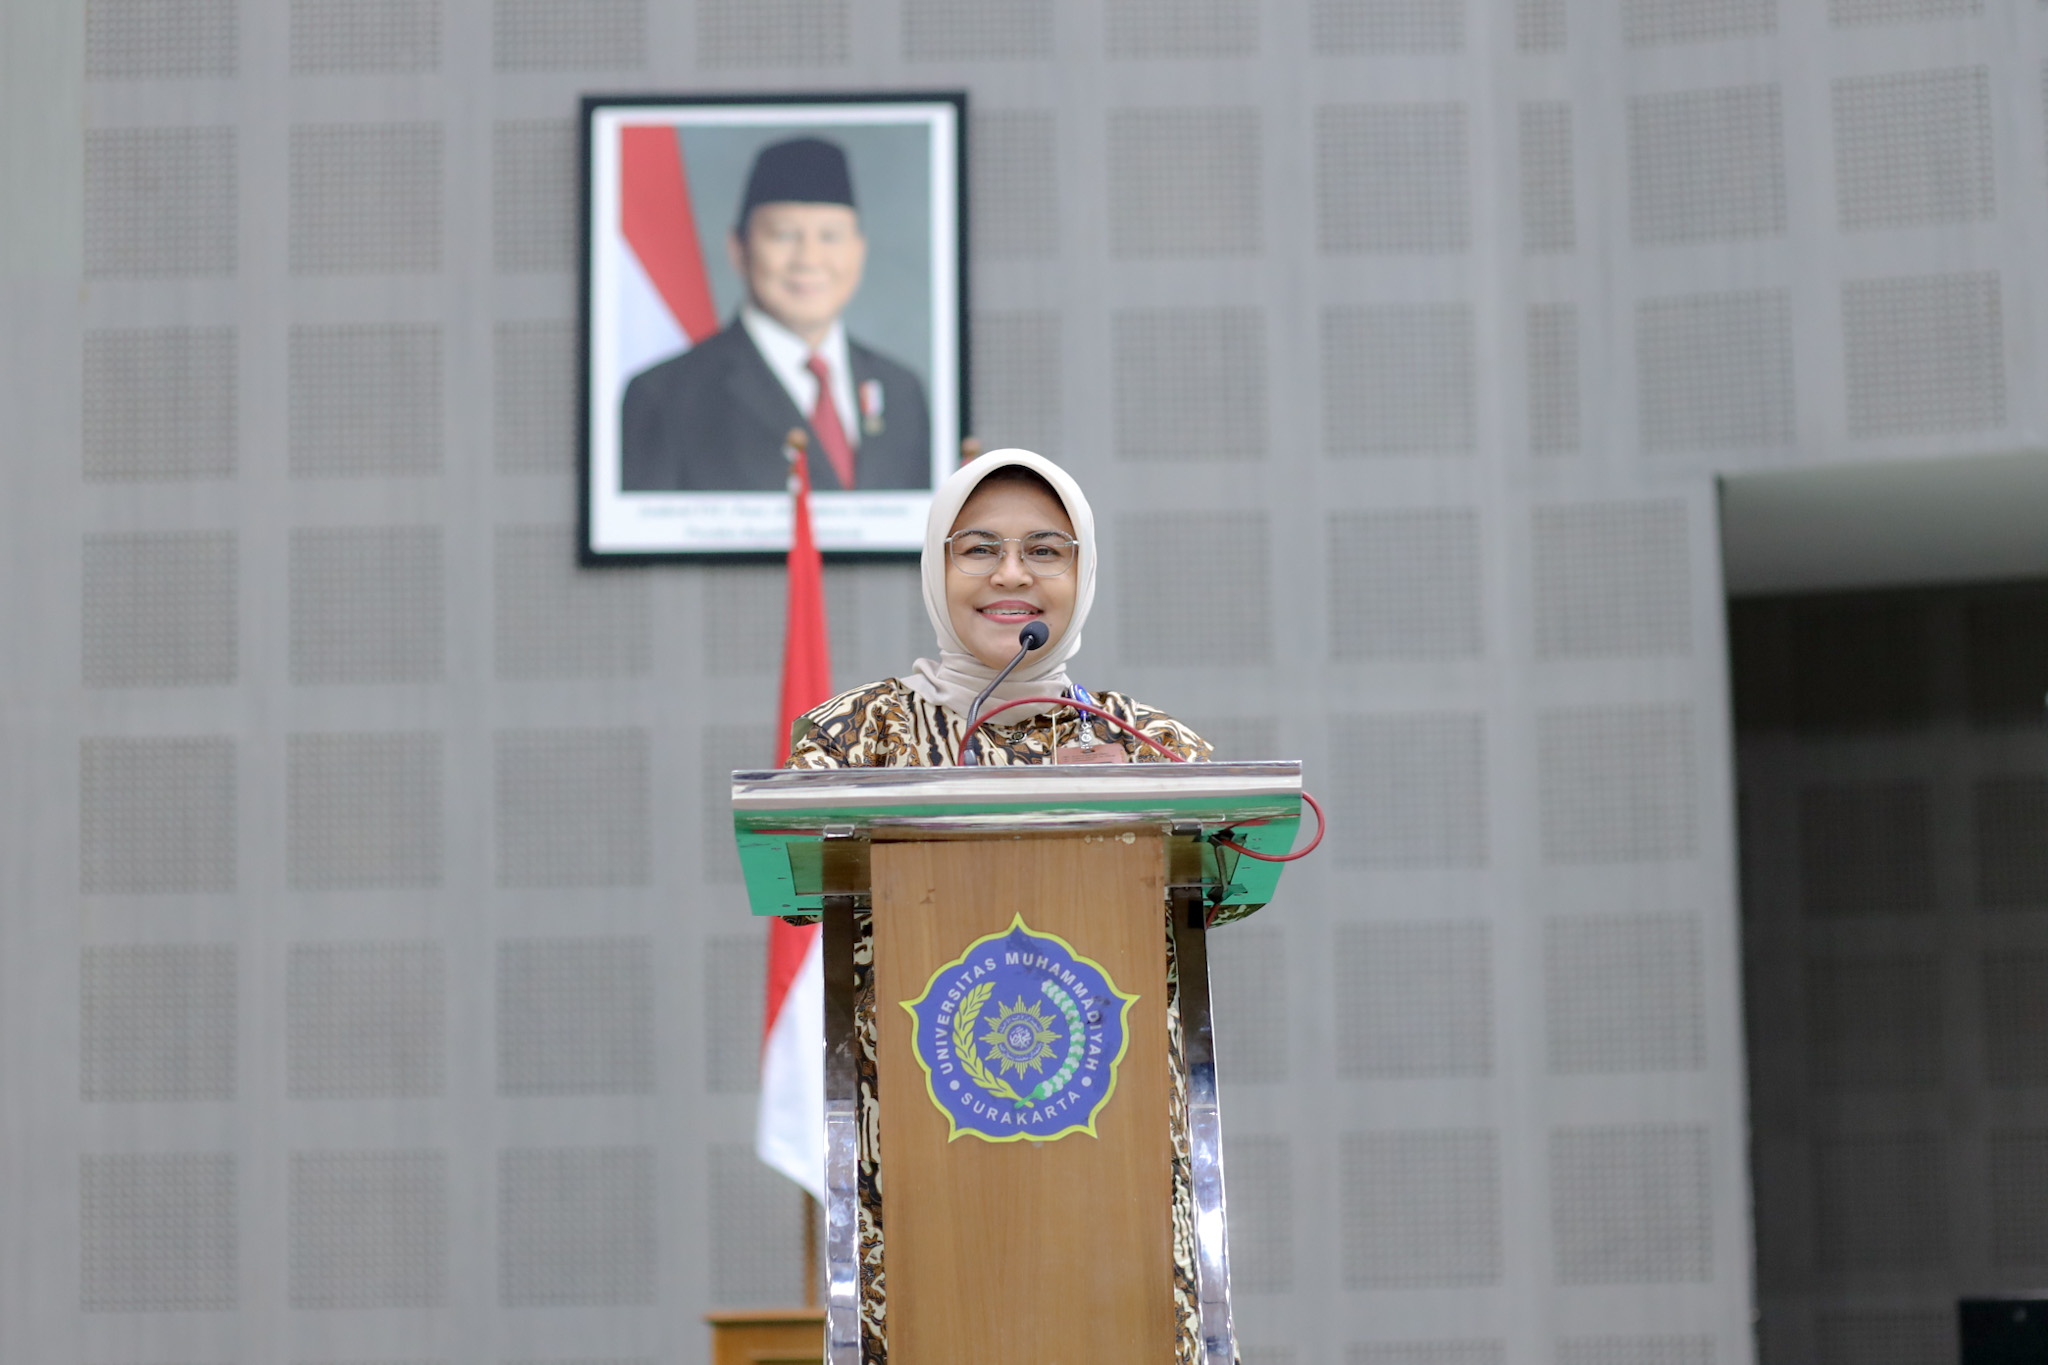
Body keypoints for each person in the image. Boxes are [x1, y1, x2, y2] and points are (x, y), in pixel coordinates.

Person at [786, 449, 1217, 1365]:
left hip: (1116, 1179)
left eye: (1045, 550)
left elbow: (1221, 889)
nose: (1012, 574)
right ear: (936, 568)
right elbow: (795, 883)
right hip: (914, 1186)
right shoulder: (855, 740)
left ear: (1082, 572)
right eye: (979, 548)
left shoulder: (1151, 749)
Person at [621, 136, 933, 493]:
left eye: (830, 236)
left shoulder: (901, 391)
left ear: (859, 252)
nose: (809, 259)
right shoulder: (666, 397)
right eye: (784, 235)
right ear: (738, 248)